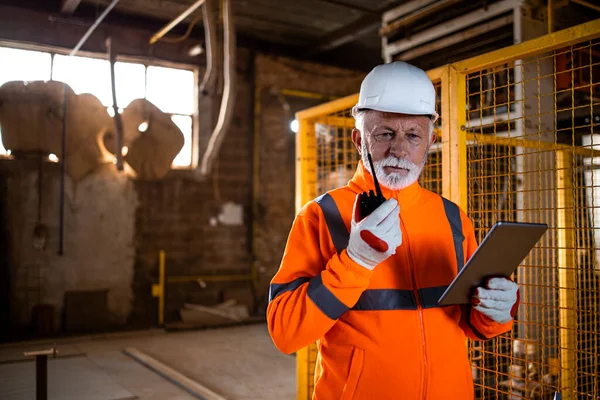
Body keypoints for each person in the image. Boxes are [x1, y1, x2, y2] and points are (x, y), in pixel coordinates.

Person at [266, 61, 520, 399]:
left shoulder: (452, 218)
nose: (400, 150)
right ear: (359, 139)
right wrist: (355, 261)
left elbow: (469, 325)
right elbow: (286, 333)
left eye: (413, 135)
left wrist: (495, 312)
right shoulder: (320, 216)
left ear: (430, 138)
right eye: (385, 133)